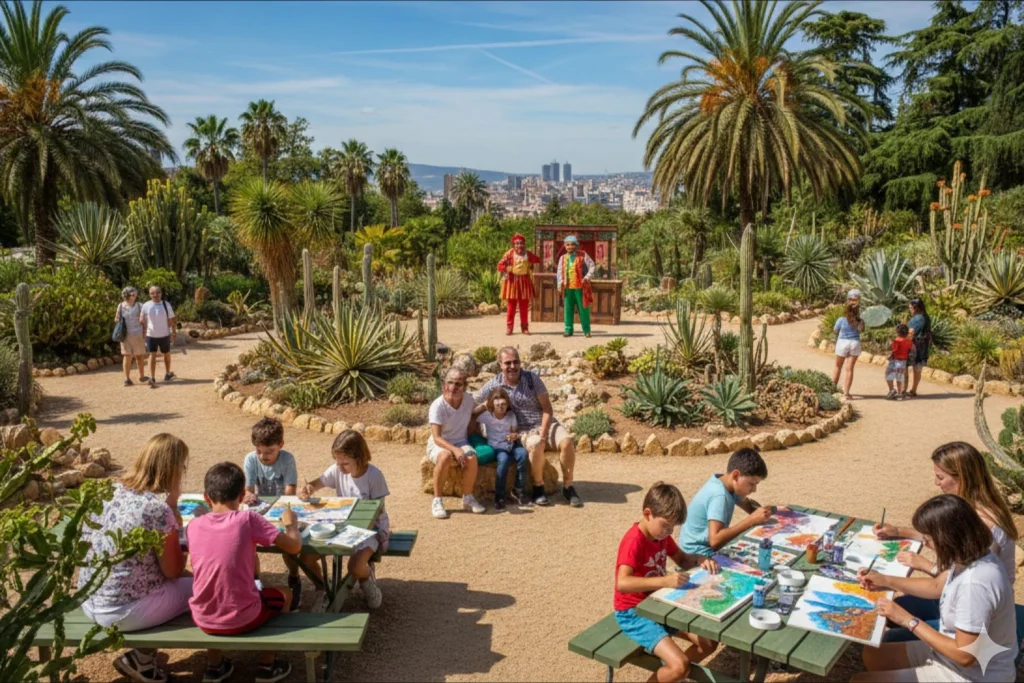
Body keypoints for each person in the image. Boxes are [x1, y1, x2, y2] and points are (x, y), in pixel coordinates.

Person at [853, 494, 1017, 683]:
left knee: (860, 680)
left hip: (973, 674)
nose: (925, 544)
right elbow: (937, 585)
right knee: (874, 655)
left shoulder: (976, 584)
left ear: (947, 538)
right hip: (954, 656)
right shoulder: (971, 556)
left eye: (928, 539)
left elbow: (965, 656)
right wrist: (885, 580)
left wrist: (908, 620)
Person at [874, 441, 1019, 643]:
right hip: (955, 597)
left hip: (976, 614)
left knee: (892, 634)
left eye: (941, 477)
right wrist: (898, 531)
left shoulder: (984, 526)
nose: (936, 483)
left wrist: (888, 580)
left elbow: (939, 586)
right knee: (897, 606)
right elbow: (943, 540)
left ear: (963, 478)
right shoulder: (972, 508)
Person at [78, 434, 192, 683]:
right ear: (173, 469)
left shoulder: (109, 492)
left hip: (90, 600)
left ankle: (143, 658)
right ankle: (144, 658)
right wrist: (175, 521)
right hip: (123, 611)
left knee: (158, 580)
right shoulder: (157, 508)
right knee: (203, 588)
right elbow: (173, 570)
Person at [186, 462, 302, 683]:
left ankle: (214, 666)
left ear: (206, 497)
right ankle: (268, 665)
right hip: (242, 617)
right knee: (286, 594)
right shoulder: (247, 519)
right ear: (241, 496)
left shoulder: (194, 525)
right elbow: (294, 547)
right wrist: (291, 525)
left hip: (203, 617)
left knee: (219, 590)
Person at [615, 482, 719, 682]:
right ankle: (676, 671)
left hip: (658, 605)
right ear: (648, 514)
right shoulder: (633, 541)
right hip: (634, 613)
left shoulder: (660, 536)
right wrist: (664, 581)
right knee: (680, 665)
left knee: (708, 643)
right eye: (665, 526)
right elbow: (623, 583)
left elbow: (682, 559)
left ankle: (674, 675)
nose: (669, 532)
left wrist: (698, 559)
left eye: (672, 527)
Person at [474, 346, 583, 508]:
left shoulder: (532, 379)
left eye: (515, 362)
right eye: (507, 363)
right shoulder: (493, 384)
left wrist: (544, 433)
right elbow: (474, 401)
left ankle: (568, 487)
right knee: (536, 444)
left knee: (567, 442)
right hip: (523, 431)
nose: (512, 366)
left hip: (546, 423)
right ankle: (539, 487)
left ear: (520, 362)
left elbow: (547, 409)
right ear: (500, 365)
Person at [299, 430, 391, 609]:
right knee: (306, 558)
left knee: (355, 566)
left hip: (370, 530)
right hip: (340, 528)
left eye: (346, 463)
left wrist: (357, 529)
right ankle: (323, 589)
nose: (340, 468)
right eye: (338, 462)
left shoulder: (374, 476)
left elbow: (377, 510)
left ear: (359, 458)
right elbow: (318, 482)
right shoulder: (337, 470)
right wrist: (309, 488)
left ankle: (366, 582)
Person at [242, 417, 304, 609]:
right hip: (261, 511)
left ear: (280, 445)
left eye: (269, 451)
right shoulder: (251, 459)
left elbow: (289, 491)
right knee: (247, 543)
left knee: (288, 546)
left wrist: (279, 509)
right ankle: (255, 580)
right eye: (259, 451)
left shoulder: (287, 459)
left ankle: (294, 576)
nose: (263, 456)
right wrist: (248, 495)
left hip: (281, 511)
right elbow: (248, 489)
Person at [679, 449, 773, 557]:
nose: (754, 489)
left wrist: (763, 512)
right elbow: (714, 541)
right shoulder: (720, 496)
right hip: (696, 554)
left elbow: (748, 505)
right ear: (736, 475)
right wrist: (751, 520)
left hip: (699, 548)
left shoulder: (724, 482)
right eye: (751, 484)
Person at [427, 367, 486, 519]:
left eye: (458, 384)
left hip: (461, 441)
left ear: (464, 386)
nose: (453, 388)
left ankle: (467, 497)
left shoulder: (468, 400)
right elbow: (437, 437)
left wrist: (488, 405)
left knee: (472, 457)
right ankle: (437, 500)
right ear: (444, 385)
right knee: (445, 457)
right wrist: (455, 450)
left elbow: (473, 414)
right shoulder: (437, 406)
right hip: (440, 444)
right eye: (450, 383)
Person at [476, 388, 529, 512]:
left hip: (511, 444)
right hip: (497, 447)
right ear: (492, 405)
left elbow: (514, 431)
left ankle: (519, 489)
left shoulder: (511, 415)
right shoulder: (487, 416)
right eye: (498, 405)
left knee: (522, 454)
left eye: (504, 404)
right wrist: (483, 405)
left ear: (507, 404)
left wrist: (514, 436)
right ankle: (499, 496)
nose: (501, 407)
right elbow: (472, 414)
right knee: (503, 460)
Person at [497, 233, 541, 336]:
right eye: (517, 243)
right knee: (511, 306)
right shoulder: (509, 254)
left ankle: (524, 328)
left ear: (524, 244)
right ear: (513, 244)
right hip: (512, 282)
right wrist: (508, 268)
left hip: (524, 281)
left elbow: (538, 260)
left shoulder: (528, 254)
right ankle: (509, 328)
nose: (519, 245)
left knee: (524, 307)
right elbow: (500, 265)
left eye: (521, 243)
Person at [556, 234, 595, 338]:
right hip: (568, 287)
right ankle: (568, 330)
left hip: (580, 287)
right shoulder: (563, 258)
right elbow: (559, 272)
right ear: (565, 246)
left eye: (572, 244)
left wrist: (587, 277)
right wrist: (560, 283)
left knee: (583, 309)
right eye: (568, 245)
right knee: (568, 309)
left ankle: (586, 330)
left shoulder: (583, 255)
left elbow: (592, 266)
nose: (570, 247)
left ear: (576, 245)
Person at [139, 285, 177, 388]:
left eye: (157, 292)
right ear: (149, 294)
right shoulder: (146, 305)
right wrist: (141, 322)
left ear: (161, 293)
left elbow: (173, 319)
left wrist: (174, 333)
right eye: (152, 293)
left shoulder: (166, 304)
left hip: (164, 334)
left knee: (167, 354)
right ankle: (152, 377)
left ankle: (168, 373)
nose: (155, 295)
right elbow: (142, 318)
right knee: (152, 356)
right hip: (151, 335)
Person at [832, 289, 864, 400]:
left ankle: (832, 389)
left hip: (842, 343)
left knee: (837, 366)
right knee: (849, 369)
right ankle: (846, 393)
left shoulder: (841, 319)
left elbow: (835, 330)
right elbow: (861, 330)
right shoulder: (860, 321)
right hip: (854, 343)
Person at [115, 286, 148, 387]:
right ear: (127, 295)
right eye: (133, 294)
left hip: (138, 334)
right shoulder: (120, 306)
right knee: (127, 356)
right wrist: (123, 321)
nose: (135, 296)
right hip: (126, 335)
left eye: (135, 294)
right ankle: (127, 379)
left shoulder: (140, 305)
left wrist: (145, 331)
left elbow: (145, 320)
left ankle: (142, 376)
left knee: (139, 356)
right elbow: (116, 319)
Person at [905, 297, 932, 398]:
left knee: (906, 366)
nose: (910, 310)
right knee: (917, 368)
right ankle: (913, 390)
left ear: (916, 307)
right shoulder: (925, 317)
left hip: (915, 345)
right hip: (923, 345)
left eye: (911, 308)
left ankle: (904, 389)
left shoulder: (918, 318)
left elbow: (911, 332)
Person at [886, 323, 914, 400]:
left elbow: (894, 351)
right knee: (899, 378)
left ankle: (892, 390)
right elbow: (912, 350)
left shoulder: (896, 341)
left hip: (895, 361)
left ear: (897, 332)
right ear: (907, 333)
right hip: (903, 362)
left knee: (888, 375)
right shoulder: (909, 342)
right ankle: (899, 393)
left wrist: (890, 355)